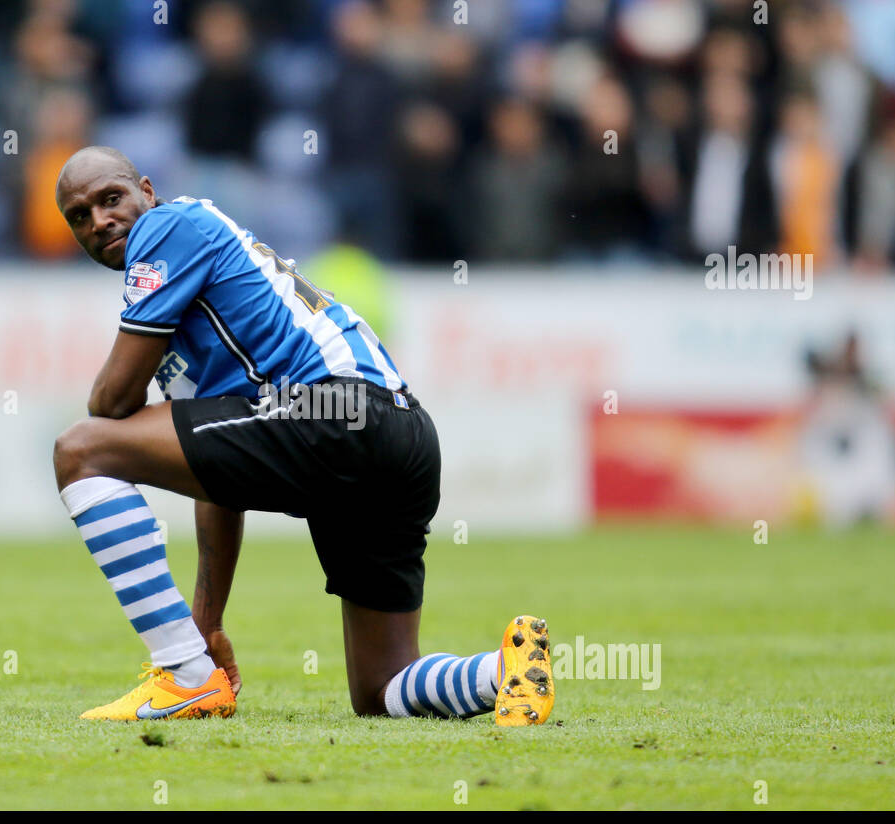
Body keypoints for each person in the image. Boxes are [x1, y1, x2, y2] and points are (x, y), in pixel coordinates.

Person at [50, 146, 555, 724]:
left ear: (145, 189)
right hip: (400, 432)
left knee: (80, 451)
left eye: (110, 199)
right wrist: (207, 621)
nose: (99, 221)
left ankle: (183, 677)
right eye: (79, 217)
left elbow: (109, 403)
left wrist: (194, 661)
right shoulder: (191, 298)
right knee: (381, 688)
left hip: (332, 407)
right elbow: (215, 474)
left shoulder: (169, 226)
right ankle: (506, 671)